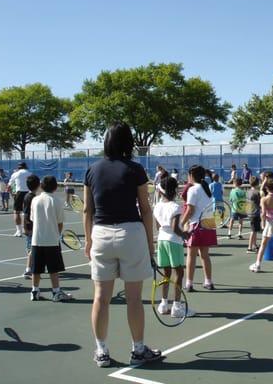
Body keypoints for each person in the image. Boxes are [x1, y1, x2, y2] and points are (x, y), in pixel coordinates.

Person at [83, 122, 161, 367]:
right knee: (134, 298)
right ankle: (138, 350)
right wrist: (150, 245)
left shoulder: (92, 170)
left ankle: (101, 351)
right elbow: (146, 210)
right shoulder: (136, 170)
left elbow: (88, 210)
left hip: (101, 234)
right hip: (131, 233)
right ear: (128, 142)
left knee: (100, 298)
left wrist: (88, 240)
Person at [153, 176, 194, 317]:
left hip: (161, 240)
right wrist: (186, 235)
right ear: (174, 189)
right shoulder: (175, 207)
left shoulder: (157, 206)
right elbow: (175, 228)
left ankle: (163, 304)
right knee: (179, 273)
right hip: (173, 241)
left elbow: (158, 226)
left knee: (166, 273)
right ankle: (176, 307)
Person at [30, 175, 73, 301]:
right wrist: (56, 235)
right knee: (54, 269)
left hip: (36, 240)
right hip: (51, 241)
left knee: (36, 268)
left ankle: (34, 292)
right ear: (55, 187)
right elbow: (60, 222)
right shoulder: (57, 201)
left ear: (42, 186)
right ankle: (56, 293)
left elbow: (32, 219)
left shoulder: (35, 200)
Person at [181, 165, 217, 292]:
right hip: (209, 224)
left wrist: (181, 223)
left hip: (197, 225)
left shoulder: (193, 190)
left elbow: (190, 210)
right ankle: (208, 281)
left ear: (191, 175)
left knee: (191, 255)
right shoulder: (207, 189)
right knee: (205, 255)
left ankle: (189, 284)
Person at [249, 179, 273, 272]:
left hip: (270, 223)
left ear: (266, 188)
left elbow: (263, 213)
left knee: (263, 244)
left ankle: (257, 265)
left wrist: (263, 223)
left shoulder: (264, 199)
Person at [22, 175, 40, 279]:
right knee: (32, 249)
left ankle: (34, 267)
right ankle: (28, 270)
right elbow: (26, 214)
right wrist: (26, 227)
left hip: (31, 226)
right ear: (38, 185)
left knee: (33, 248)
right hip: (32, 227)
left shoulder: (28, 196)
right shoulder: (32, 198)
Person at [8, 162, 32, 237]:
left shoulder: (15, 174)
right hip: (29, 194)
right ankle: (27, 230)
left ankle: (19, 231)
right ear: (26, 167)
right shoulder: (30, 173)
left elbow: (9, 186)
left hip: (19, 194)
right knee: (27, 213)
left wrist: (12, 194)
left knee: (17, 212)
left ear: (18, 167)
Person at [247, 176, 261, 254]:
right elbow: (260, 203)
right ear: (258, 183)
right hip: (255, 213)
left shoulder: (248, 191)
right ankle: (249, 248)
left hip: (250, 212)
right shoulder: (257, 193)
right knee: (253, 231)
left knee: (255, 230)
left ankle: (254, 245)